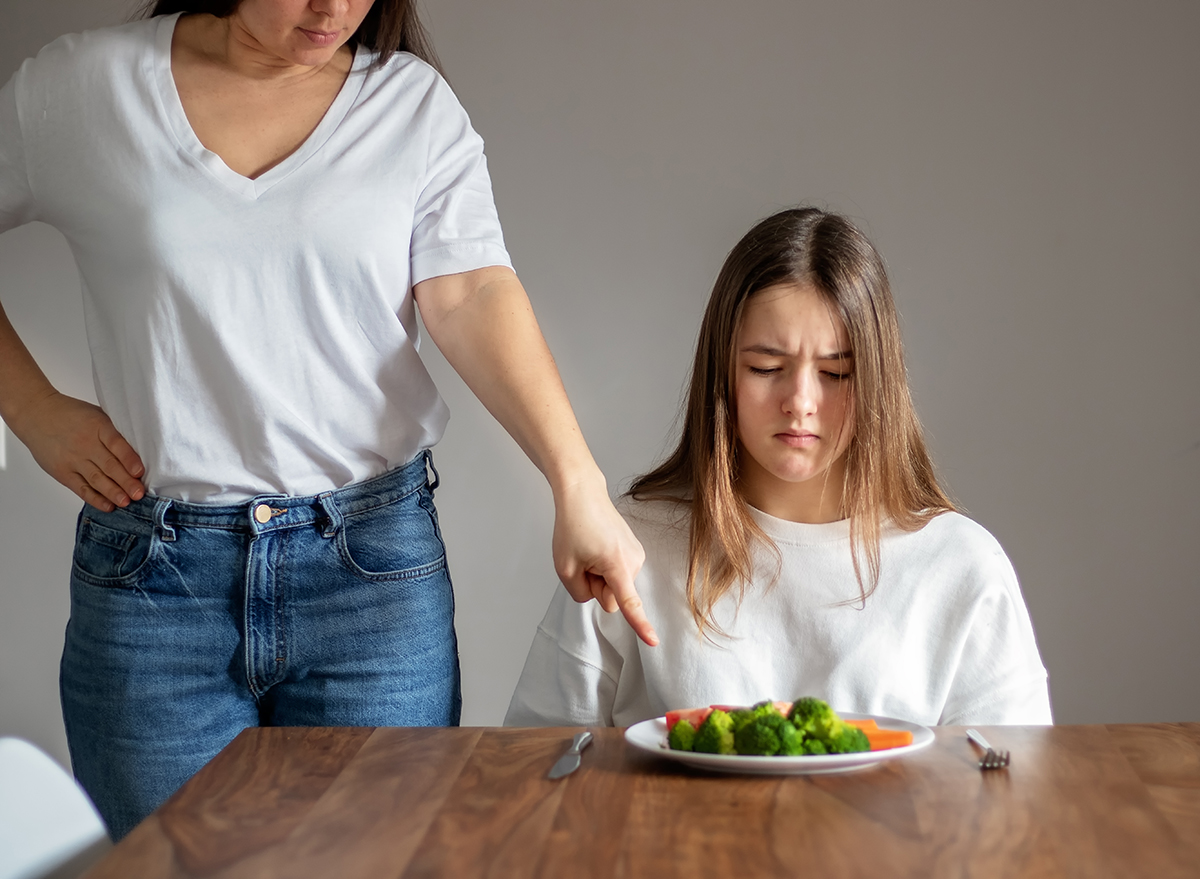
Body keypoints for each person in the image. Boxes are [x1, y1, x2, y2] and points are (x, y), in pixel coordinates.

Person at [0, 0, 657, 839]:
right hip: (156, 585)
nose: (334, 9)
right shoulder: (87, 87)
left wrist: (579, 483)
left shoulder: (409, 107)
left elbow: (472, 290)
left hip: (369, 579)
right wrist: (31, 409)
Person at [505, 207, 1052, 729]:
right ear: (723, 373)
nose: (800, 401)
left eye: (837, 373)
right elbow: (539, 767)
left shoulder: (960, 566)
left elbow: (1012, 791)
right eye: (767, 367)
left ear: (879, 383)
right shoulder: (627, 549)